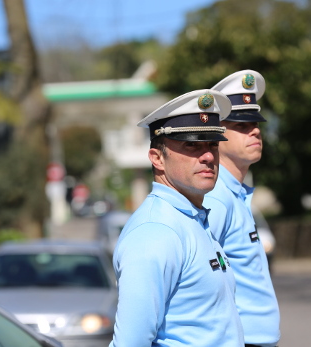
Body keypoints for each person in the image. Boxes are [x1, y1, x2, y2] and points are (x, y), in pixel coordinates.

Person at [109, 89, 244, 346]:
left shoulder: (190, 219)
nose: (207, 156)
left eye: (212, 145)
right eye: (191, 145)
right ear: (157, 158)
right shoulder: (156, 232)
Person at [204, 70, 281, 347]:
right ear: (217, 134)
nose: (256, 130)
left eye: (256, 123)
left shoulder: (234, 194)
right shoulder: (215, 198)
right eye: (242, 126)